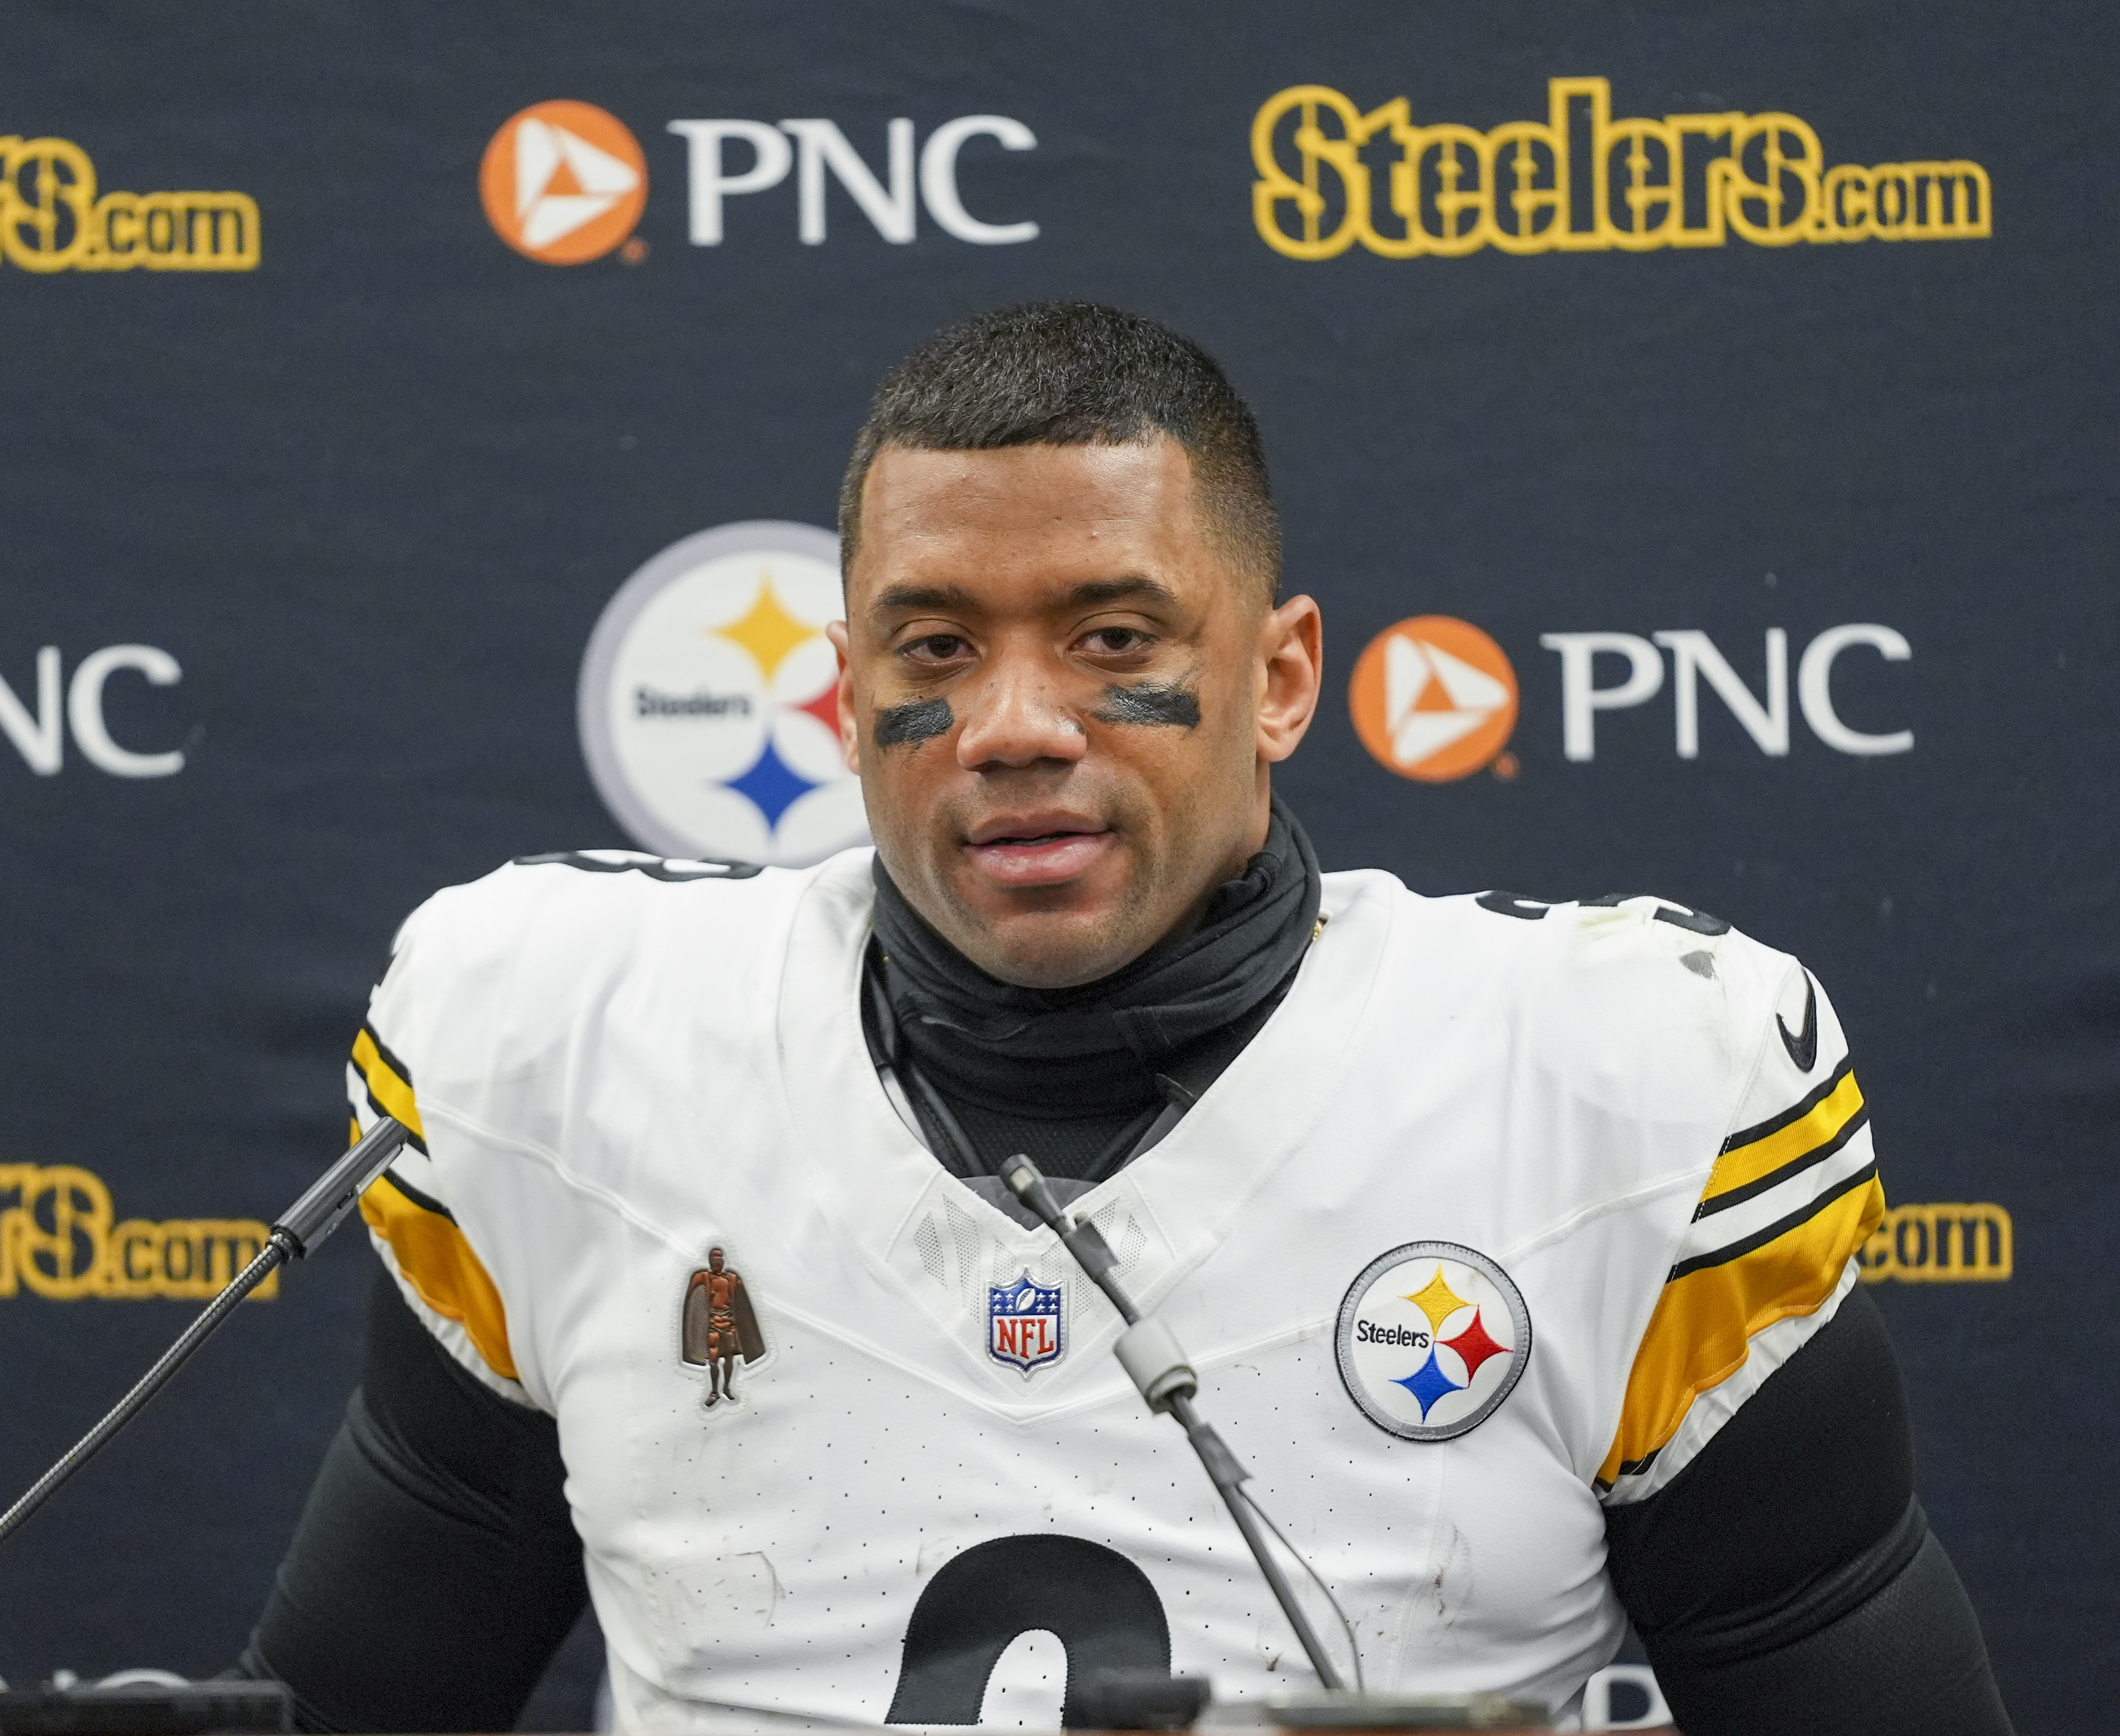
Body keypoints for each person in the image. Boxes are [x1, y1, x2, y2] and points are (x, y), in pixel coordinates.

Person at [239, 304, 2011, 1733]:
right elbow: (360, 1702)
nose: (1014, 722)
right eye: (932, 649)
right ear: (841, 698)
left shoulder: (1615, 1080)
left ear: (1283, 676)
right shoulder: (562, 1037)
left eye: (1108, 637)